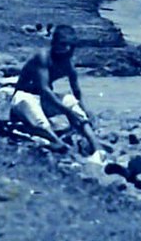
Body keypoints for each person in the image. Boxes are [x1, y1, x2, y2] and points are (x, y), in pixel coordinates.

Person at [9, 24, 102, 154]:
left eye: (69, 45)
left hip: (43, 101)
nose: (66, 49)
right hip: (23, 97)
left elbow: (76, 91)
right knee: (34, 111)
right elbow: (44, 89)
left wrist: (84, 112)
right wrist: (68, 112)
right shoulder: (43, 57)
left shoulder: (67, 63)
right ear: (55, 43)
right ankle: (56, 141)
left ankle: (96, 147)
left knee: (70, 100)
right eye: (62, 45)